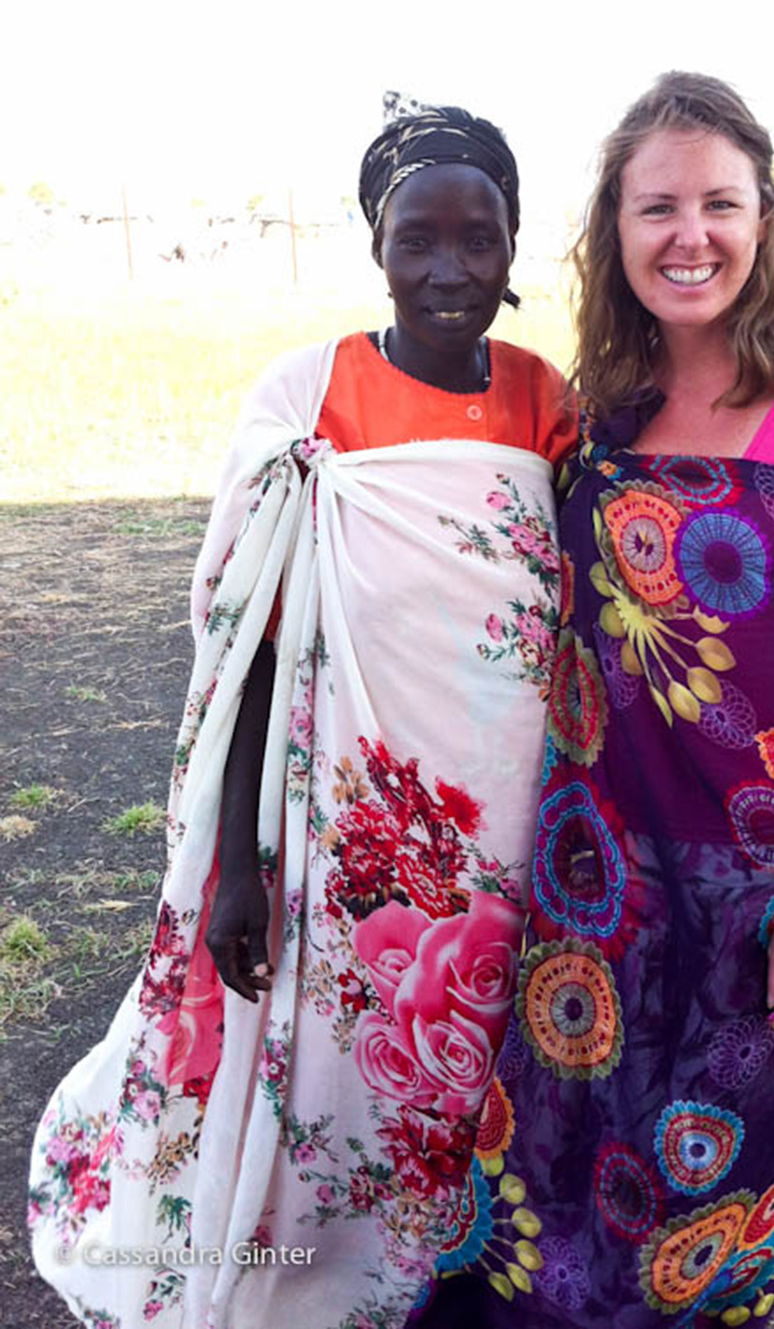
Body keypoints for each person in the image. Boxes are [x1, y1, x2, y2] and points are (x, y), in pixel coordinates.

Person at [27, 100, 576, 1329]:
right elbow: (252, 652)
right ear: (373, 244)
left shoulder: (547, 400)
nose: (448, 272)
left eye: (476, 240)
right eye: (414, 239)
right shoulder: (310, 394)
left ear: (513, 242)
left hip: (500, 807)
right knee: (343, 1046)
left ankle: (448, 1259)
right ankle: (323, 1266)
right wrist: (235, 868)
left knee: (471, 1038)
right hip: (343, 811)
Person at [412, 73, 774, 1328]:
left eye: (719, 204)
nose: (690, 235)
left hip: (756, 895)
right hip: (593, 884)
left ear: (764, 219)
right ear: (615, 230)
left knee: (696, 1234)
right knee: (541, 1201)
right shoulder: (602, 404)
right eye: (657, 207)